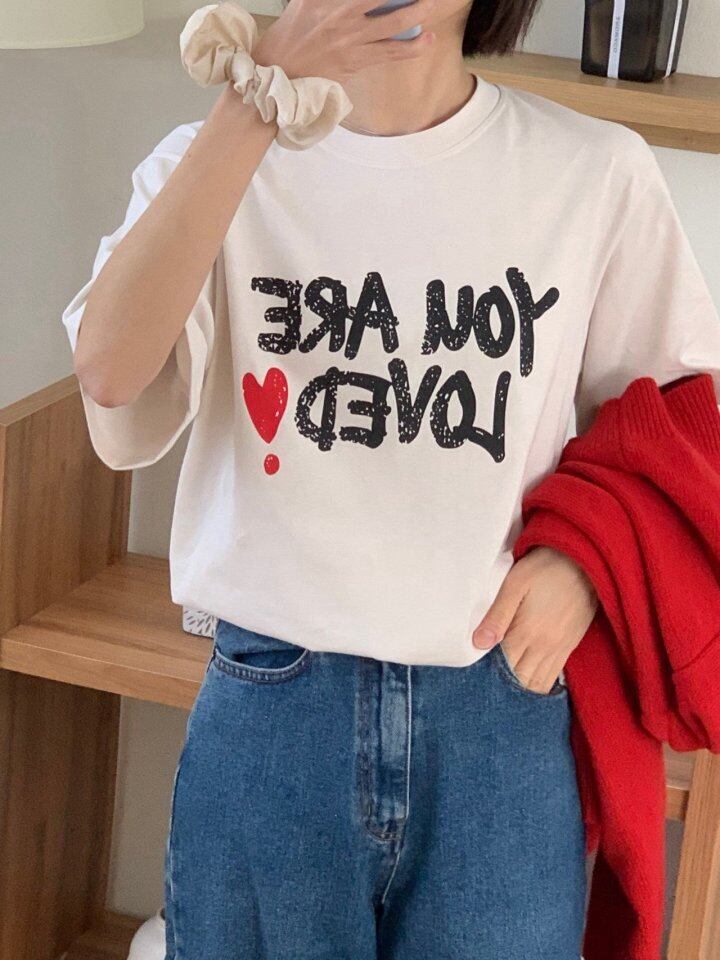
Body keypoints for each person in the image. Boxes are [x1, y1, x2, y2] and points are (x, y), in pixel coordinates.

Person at [60, 0, 720, 956]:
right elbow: (111, 372)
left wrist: (585, 562)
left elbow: (678, 427)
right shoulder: (208, 164)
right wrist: (253, 104)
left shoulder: (594, 171)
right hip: (274, 704)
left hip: (499, 710)